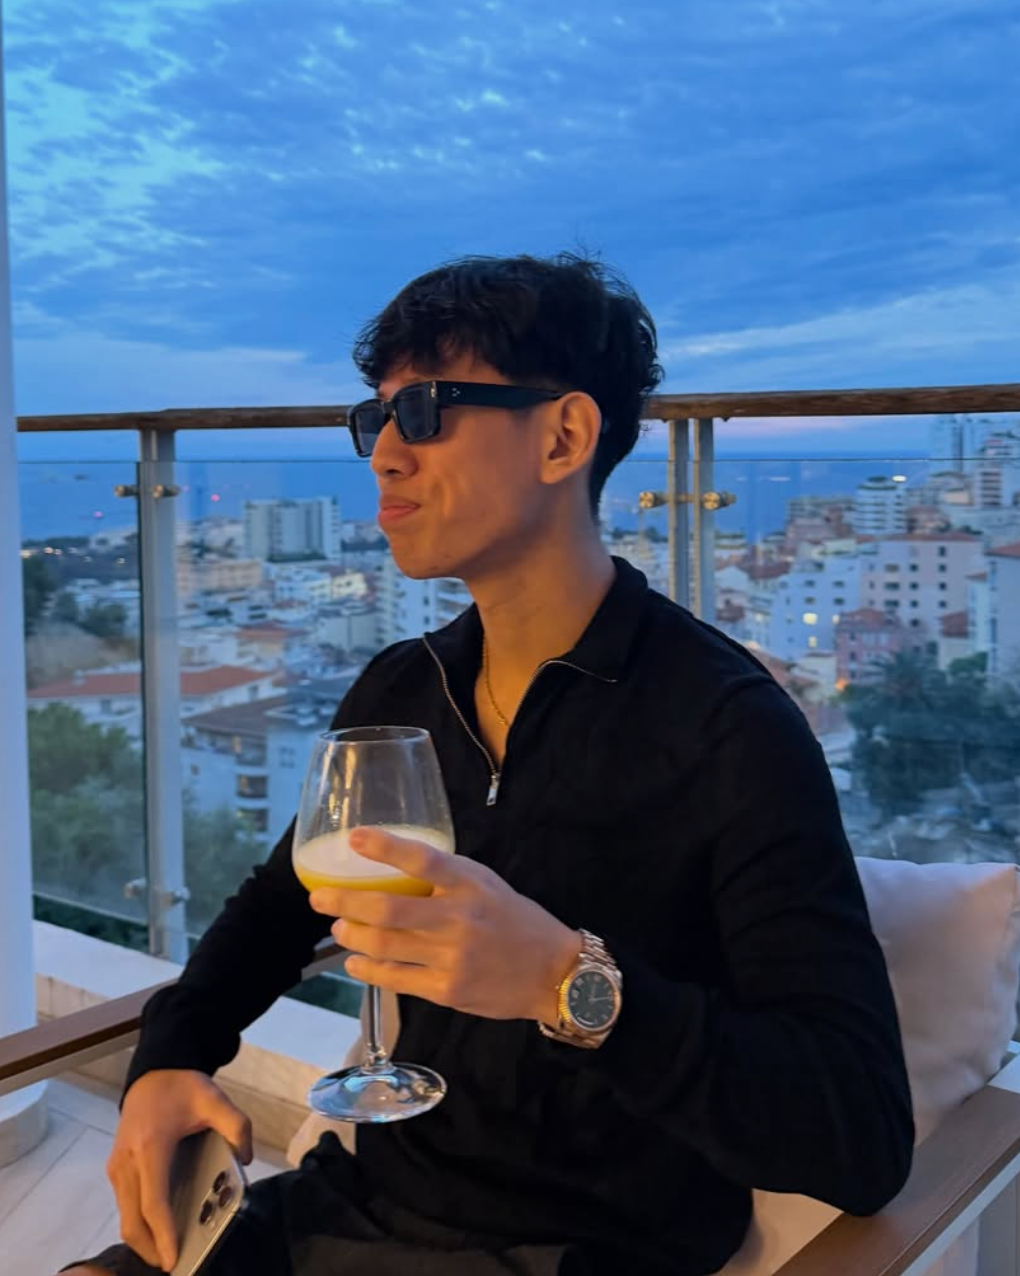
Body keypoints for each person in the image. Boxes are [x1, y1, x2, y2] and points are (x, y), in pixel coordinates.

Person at [63, 252, 913, 1276]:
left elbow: (861, 1135)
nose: (384, 455)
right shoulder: (402, 690)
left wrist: (567, 982)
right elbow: (279, 905)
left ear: (564, 436)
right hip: (353, 1204)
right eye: (375, 420)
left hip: (578, 1249)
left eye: (424, 412)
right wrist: (166, 1061)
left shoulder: (728, 729)